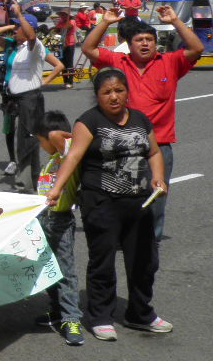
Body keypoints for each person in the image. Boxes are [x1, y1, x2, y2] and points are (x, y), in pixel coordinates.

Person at [43, 68, 170, 341]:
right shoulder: (89, 122)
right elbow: (73, 157)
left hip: (139, 202)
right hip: (101, 202)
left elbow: (155, 152)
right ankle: (100, 316)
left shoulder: (140, 119)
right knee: (103, 260)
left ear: (127, 92)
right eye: (107, 92)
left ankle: (141, 314)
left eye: (119, 91)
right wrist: (56, 189)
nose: (114, 97)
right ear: (98, 95)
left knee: (143, 261)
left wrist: (158, 178)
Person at [80, 4, 201, 247]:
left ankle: (149, 244)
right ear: (129, 44)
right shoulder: (118, 61)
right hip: (122, 144)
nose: (145, 44)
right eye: (139, 40)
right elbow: (88, 48)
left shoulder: (170, 62)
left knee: (156, 197)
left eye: (149, 39)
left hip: (160, 145)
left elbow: (196, 48)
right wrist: (105, 22)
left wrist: (176, 21)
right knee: (120, 195)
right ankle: (123, 240)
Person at [0, 7, 63, 192]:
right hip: (13, 98)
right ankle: (30, 180)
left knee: (27, 141)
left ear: (28, 27)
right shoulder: (13, 45)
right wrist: (11, 25)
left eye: (18, 27)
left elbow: (57, 63)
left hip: (30, 100)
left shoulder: (34, 46)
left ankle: (27, 183)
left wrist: (45, 81)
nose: (14, 30)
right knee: (15, 135)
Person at [32, 110, 84, 346]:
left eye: (41, 140)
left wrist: (51, 132)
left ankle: (71, 318)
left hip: (61, 220)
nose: (42, 145)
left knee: (65, 270)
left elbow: (60, 139)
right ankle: (56, 310)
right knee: (48, 269)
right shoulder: (52, 160)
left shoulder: (67, 156)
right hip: (44, 220)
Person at [52, 10, 78, 87]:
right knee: (62, 63)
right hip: (61, 44)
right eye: (61, 15)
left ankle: (70, 82)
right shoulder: (61, 21)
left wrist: (60, 26)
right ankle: (65, 81)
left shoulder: (72, 21)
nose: (62, 16)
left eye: (64, 15)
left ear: (68, 15)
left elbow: (68, 27)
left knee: (69, 63)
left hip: (70, 44)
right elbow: (57, 29)